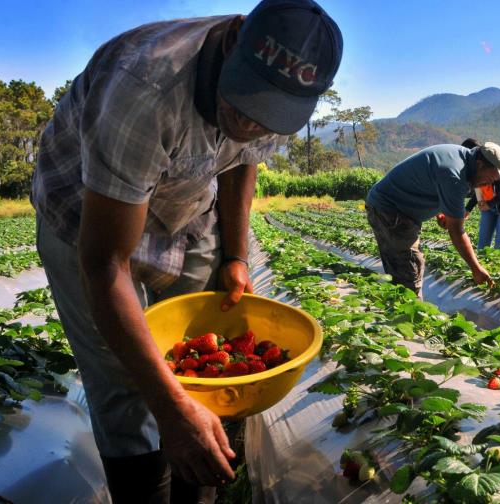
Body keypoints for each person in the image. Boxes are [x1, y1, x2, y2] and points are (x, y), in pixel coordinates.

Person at [30, 1, 342, 501]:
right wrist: (173, 412)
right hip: (85, 217)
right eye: (244, 102)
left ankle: (197, 477)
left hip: (187, 207)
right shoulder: (144, 86)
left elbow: (242, 161)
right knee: (125, 381)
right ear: (231, 39)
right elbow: (105, 262)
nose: (251, 125)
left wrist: (236, 256)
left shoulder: (271, 110)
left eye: (269, 116)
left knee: (202, 361)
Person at [365, 142, 500, 297]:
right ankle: (408, 314)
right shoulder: (454, 174)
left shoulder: (458, 155)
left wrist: (440, 211)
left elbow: (427, 179)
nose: (490, 184)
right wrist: (476, 269)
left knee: (406, 268)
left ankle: (400, 308)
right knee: (408, 272)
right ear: (480, 165)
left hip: (391, 208)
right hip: (391, 211)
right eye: (491, 177)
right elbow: (456, 230)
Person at [458, 139, 500, 251]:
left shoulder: (492, 168)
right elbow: (480, 188)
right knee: (482, 247)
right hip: (488, 209)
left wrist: (491, 203)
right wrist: (468, 208)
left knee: (499, 247)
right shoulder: (476, 171)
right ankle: (483, 268)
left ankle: (498, 268)